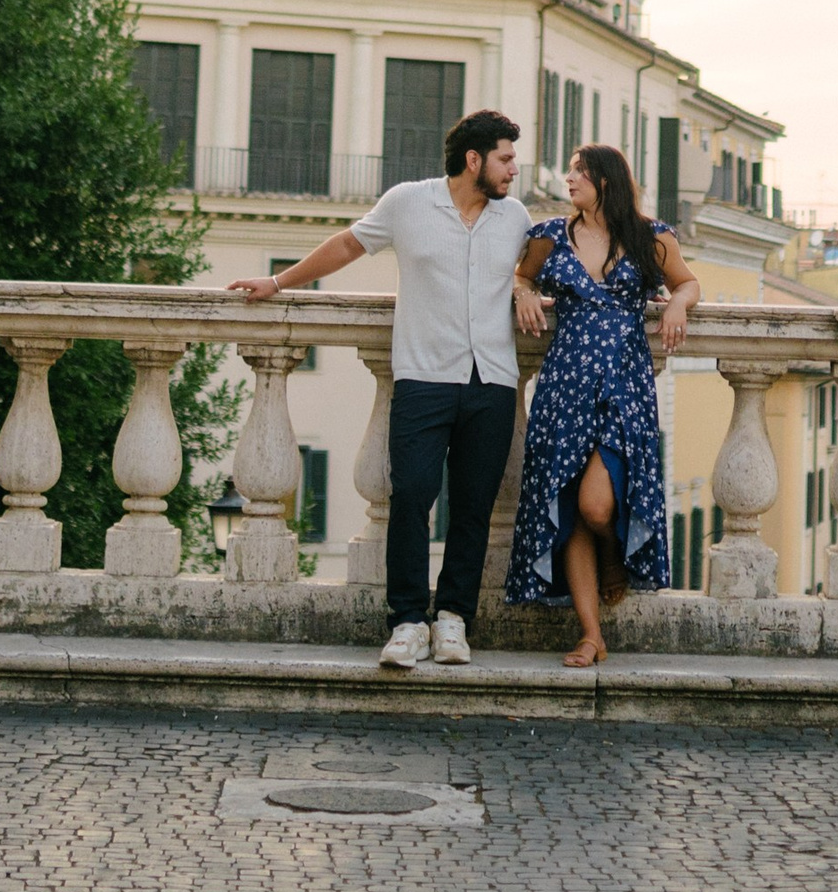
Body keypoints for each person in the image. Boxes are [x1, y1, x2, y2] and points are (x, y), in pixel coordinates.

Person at [235, 108, 528, 671]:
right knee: (411, 499)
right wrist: (276, 281)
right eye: (506, 158)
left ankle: (454, 622)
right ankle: (407, 623)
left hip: (492, 381)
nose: (514, 169)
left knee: (473, 511)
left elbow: (539, 265)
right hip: (422, 380)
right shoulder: (408, 203)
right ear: (474, 161)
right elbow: (348, 246)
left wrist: (523, 285)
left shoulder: (514, 217)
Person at [504, 141, 697, 669]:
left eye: (578, 172)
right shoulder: (550, 237)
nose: (569, 180)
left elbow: (687, 281)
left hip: (625, 386)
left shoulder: (649, 236)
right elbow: (523, 276)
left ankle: (614, 555)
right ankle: (591, 635)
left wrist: (678, 302)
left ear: (605, 180)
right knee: (568, 508)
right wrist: (523, 293)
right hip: (564, 387)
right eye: (569, 172)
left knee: (597, 505)